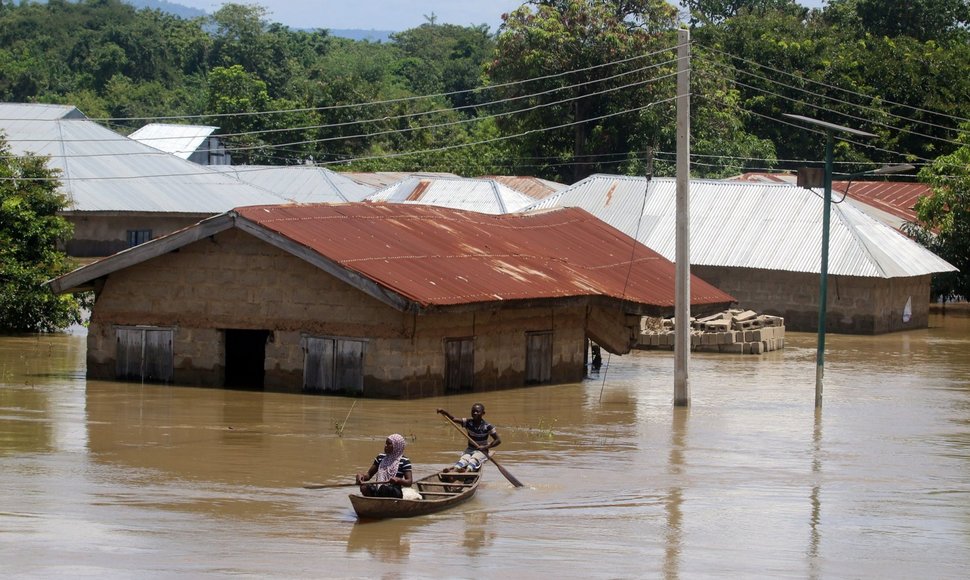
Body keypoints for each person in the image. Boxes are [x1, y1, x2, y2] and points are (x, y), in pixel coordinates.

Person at [436, 403, 501, 472]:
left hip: (482, 451)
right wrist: (443, 411)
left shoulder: (488, 426)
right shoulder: (468, 422)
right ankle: (453, 472)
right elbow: (453, 419)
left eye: (477, 412)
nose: (475, 413)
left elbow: (498, 440)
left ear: (483, 413)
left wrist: (485, 447)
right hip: (470, 449)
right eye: (473, 411)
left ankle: (466, 473)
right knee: (463, 459)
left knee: (473, 460)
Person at [356, 433, 413, 498]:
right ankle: (375, 501)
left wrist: (398, 480)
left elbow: (409, 482)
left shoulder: (404, 461)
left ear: (396, 446)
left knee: (385, 488)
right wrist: (361, 476)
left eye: (389, 444)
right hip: (379, 490)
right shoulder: (381, 457)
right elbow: (368, 475)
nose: (386, 446)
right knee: (364, 487)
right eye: (385, 443)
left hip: (394, 492)